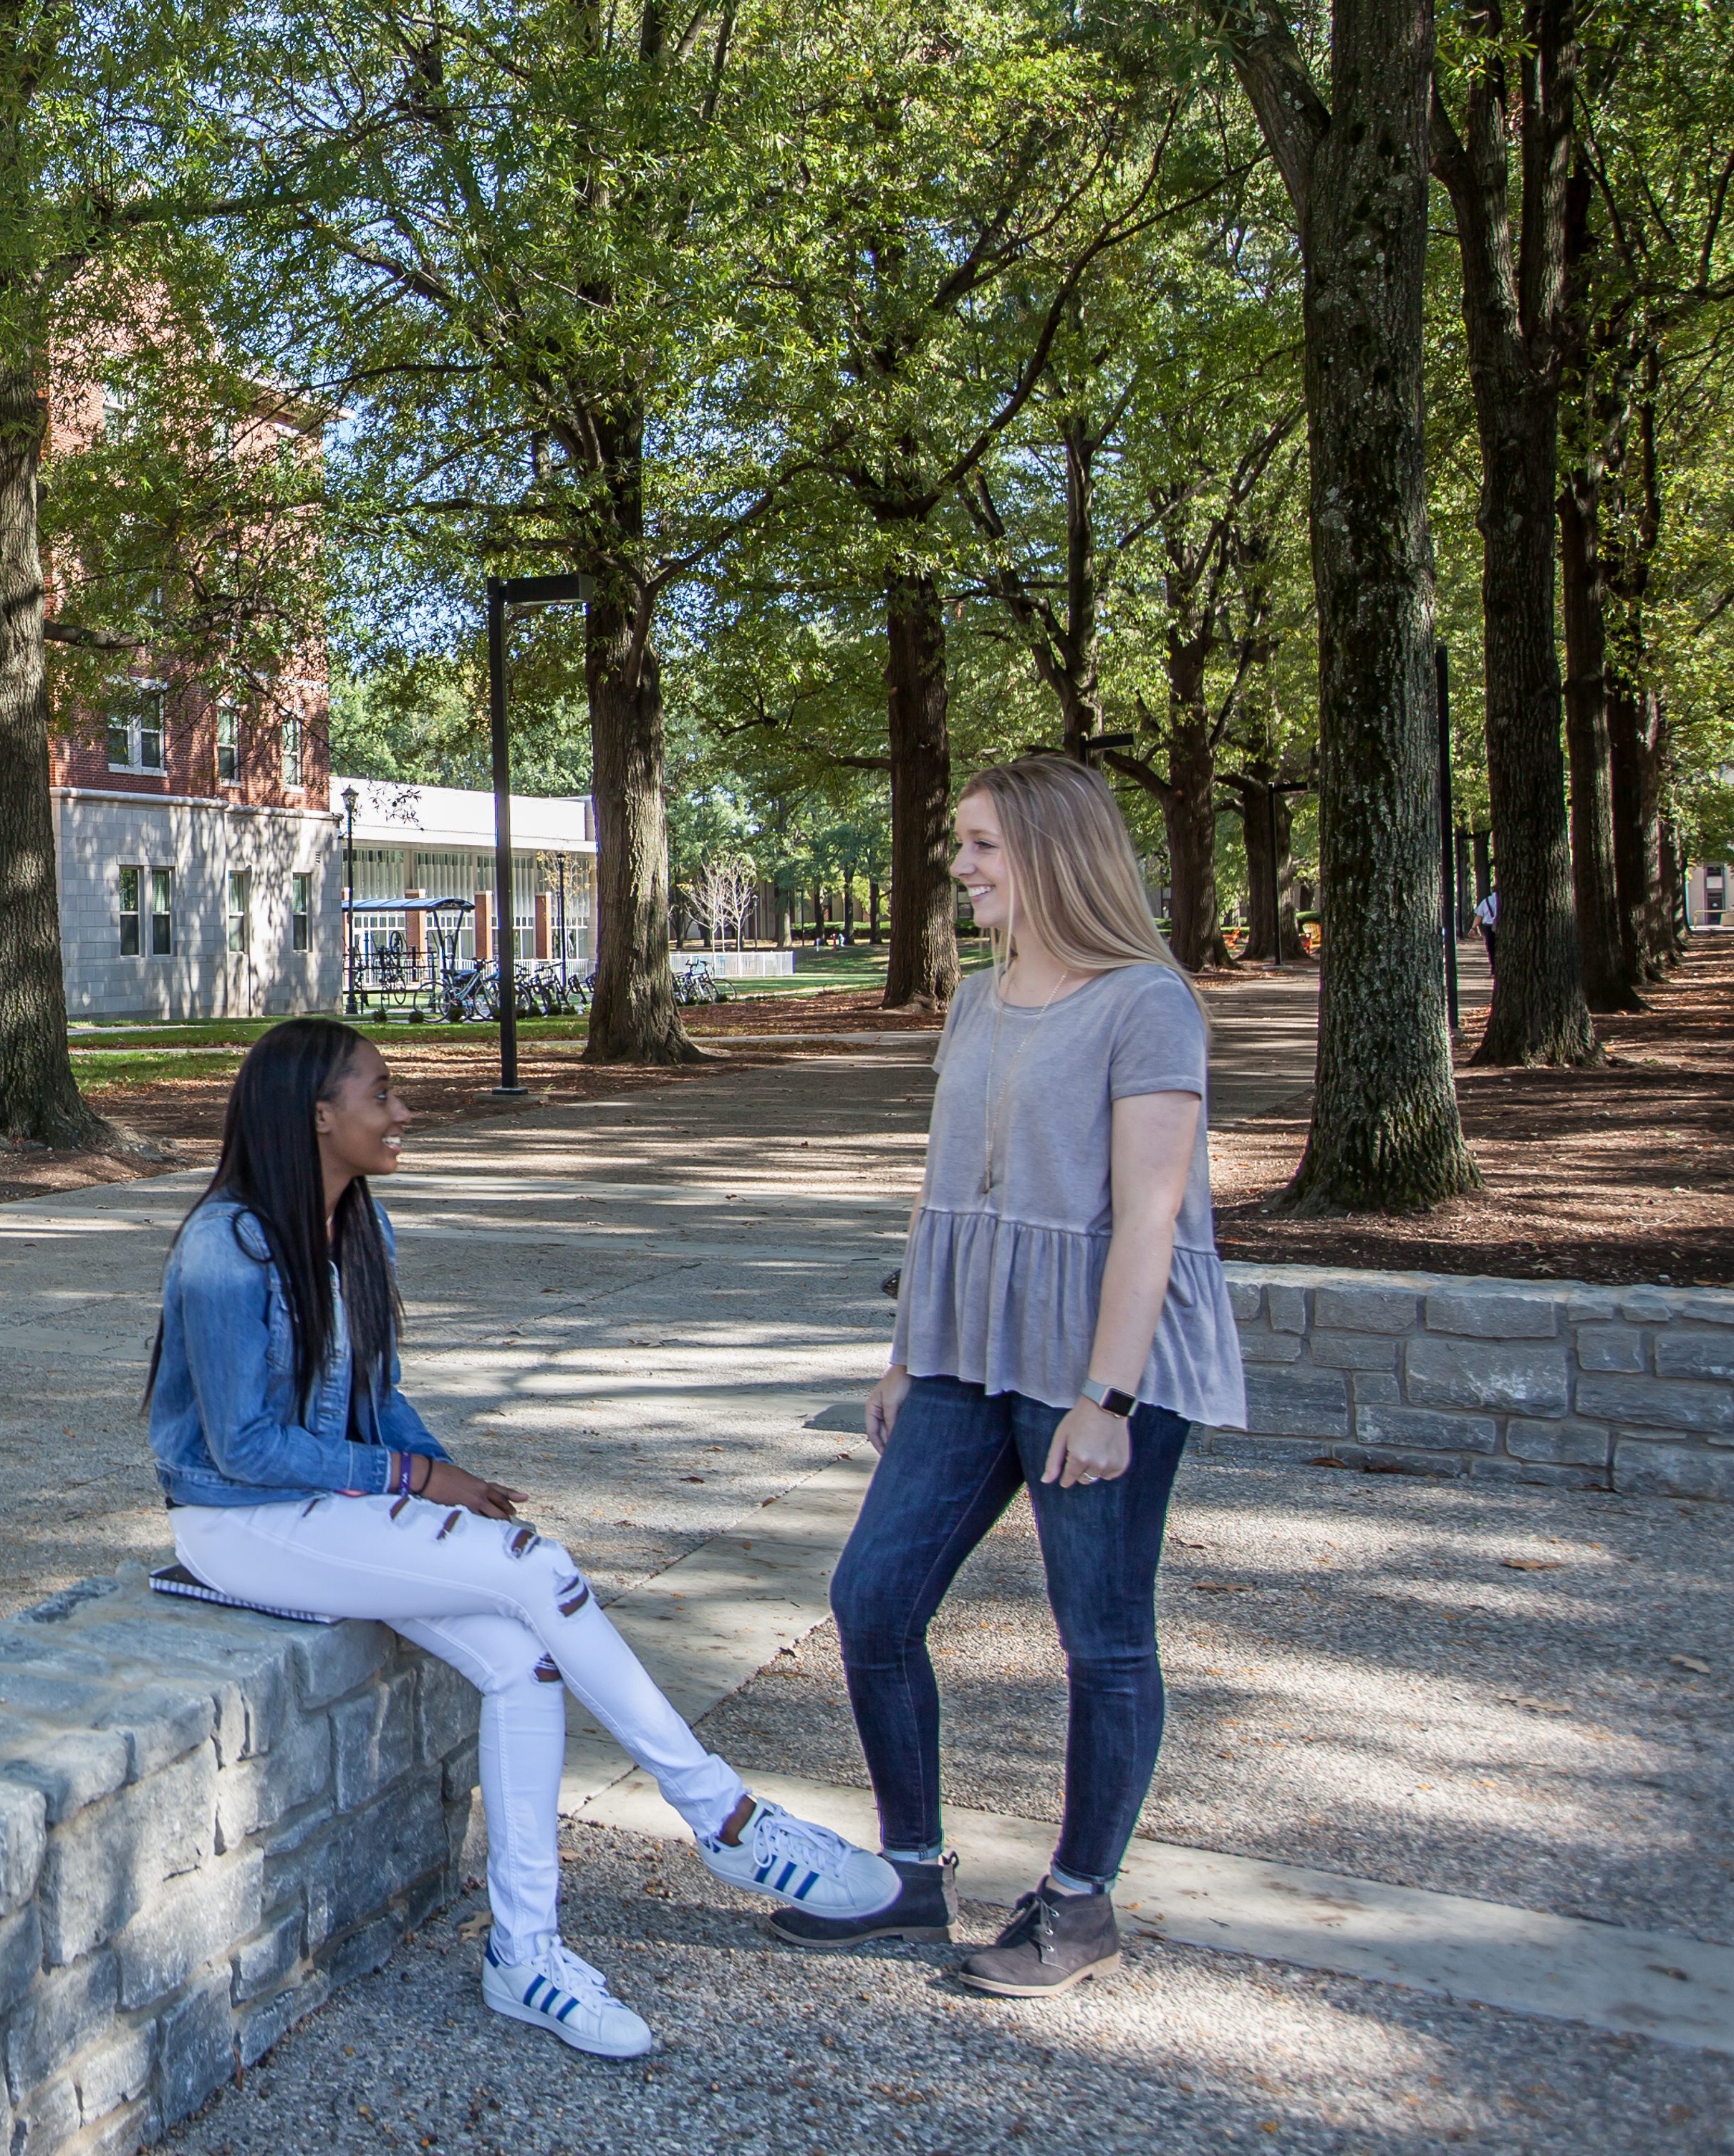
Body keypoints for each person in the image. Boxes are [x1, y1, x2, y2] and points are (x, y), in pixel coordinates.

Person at [149, 1017, 902, 2061]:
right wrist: (413, 1480)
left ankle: (526, 1953)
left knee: (519, 1658)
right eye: (381, 1093)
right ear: (317, 1116)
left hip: (327, 1512)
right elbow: (240, 1448)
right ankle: (725, 1821)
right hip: (237, 1525)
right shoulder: (226, 1245)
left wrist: (440, 1476)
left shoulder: (360, 1229)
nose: (402, 1109)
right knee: (537, 1568)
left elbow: (377, 1402)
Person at [787, 755, 1245, 1996]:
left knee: (1101, 1638)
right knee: (872, 1599)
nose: (963, 867)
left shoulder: (1149, 1003)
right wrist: (902, 1355)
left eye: (984, 845)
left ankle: (1081, 1904)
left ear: (1051, 851)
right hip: (963, 1350)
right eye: (962, 844)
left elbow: (1150, 1218)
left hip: (1092, 1360)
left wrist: (1109, 1399)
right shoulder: (978, 1001)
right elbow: (949, 1194)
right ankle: (911, 1875)